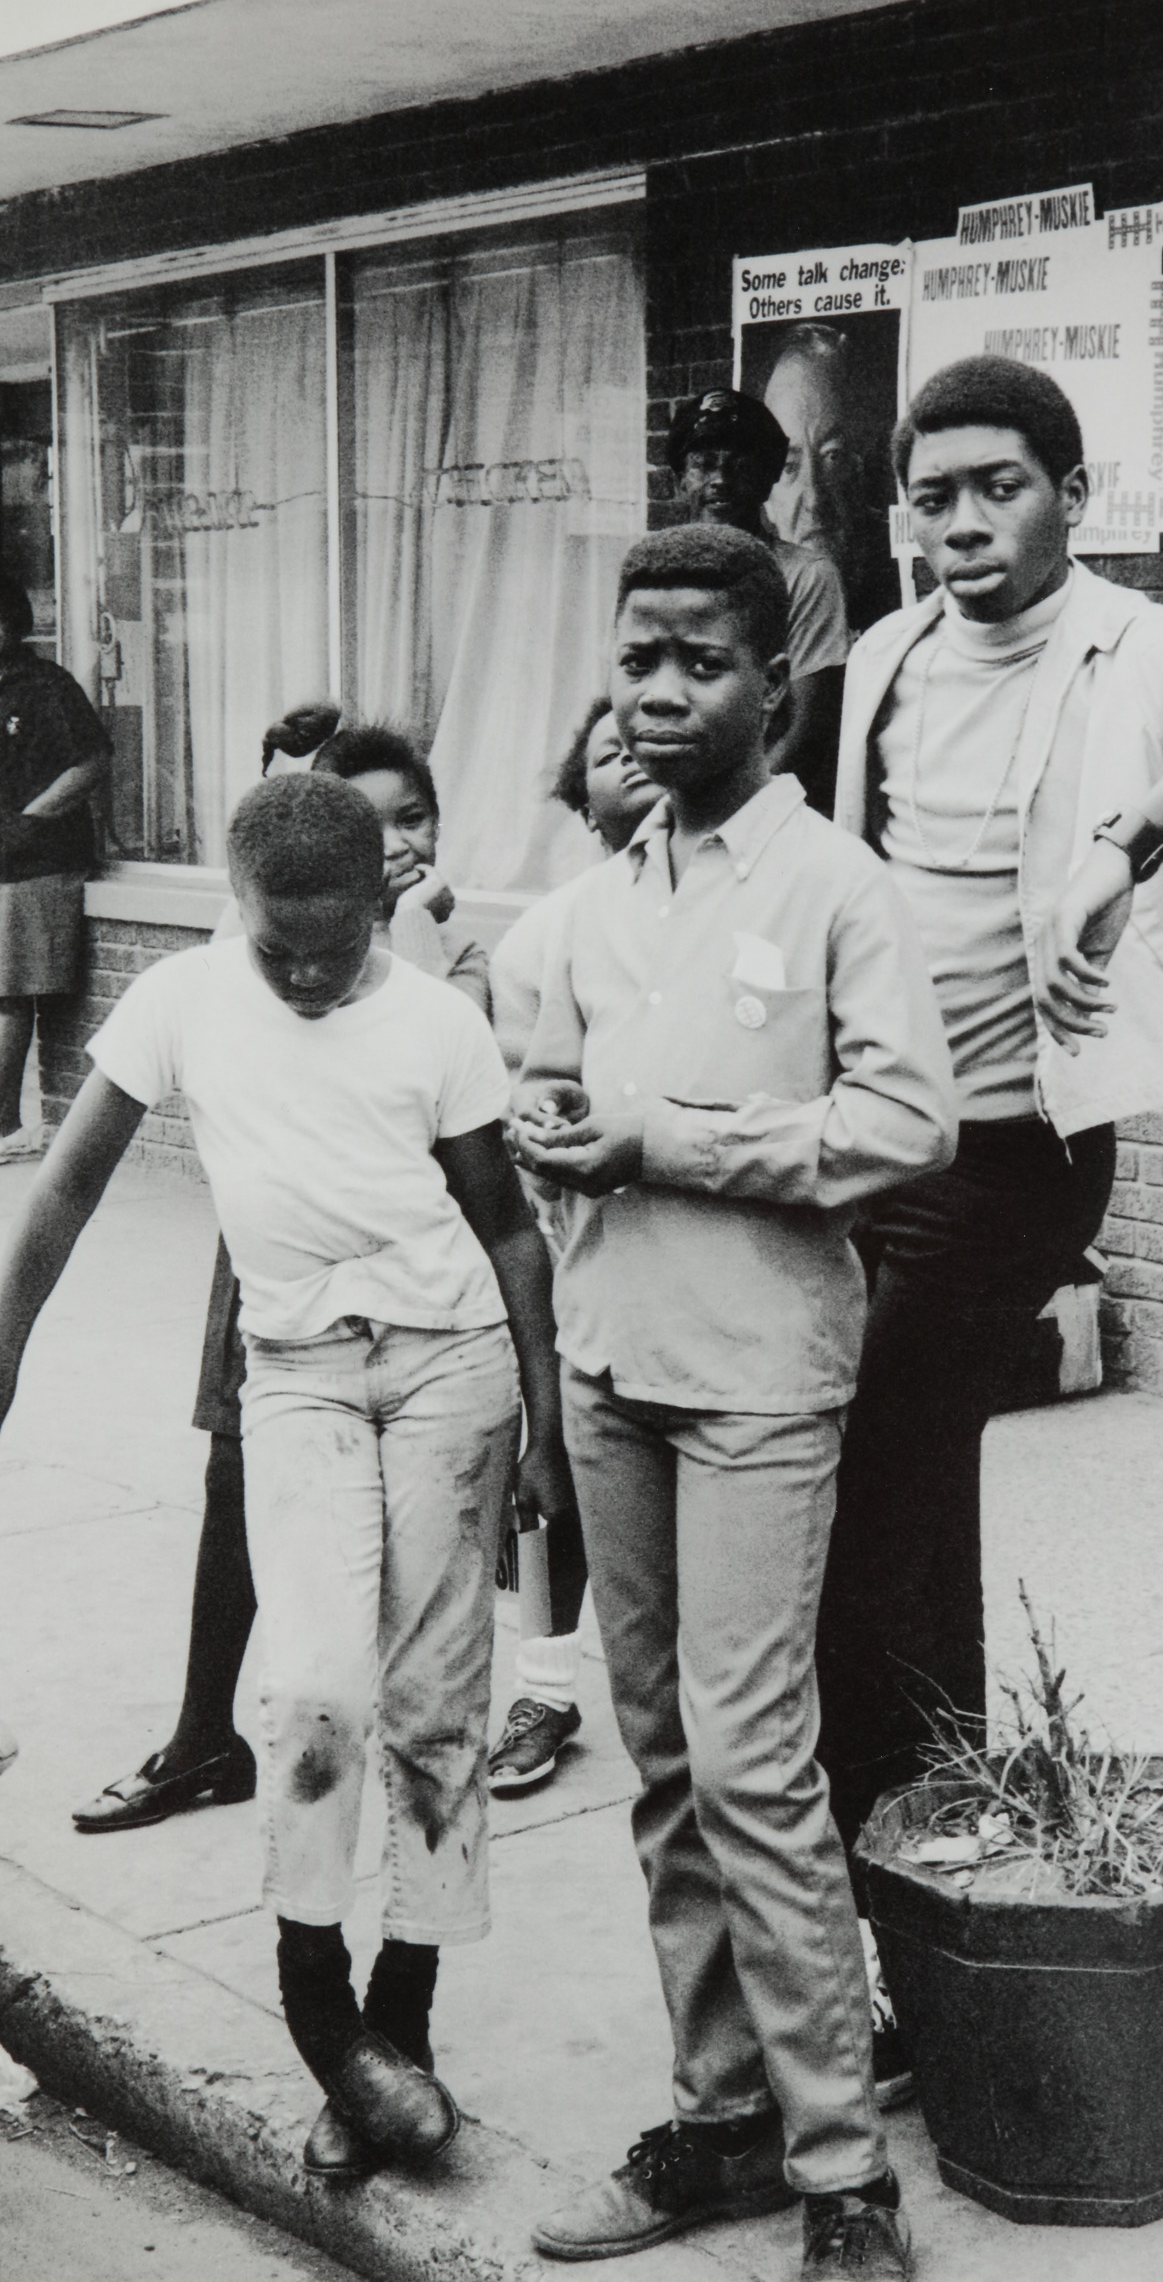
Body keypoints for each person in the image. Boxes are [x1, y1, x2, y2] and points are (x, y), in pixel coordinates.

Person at [813, 356, 1163, 2095]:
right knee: (909, 1526)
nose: (963, 523)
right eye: (933, 496)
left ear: (1072, 491)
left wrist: (1137, 833)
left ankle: (916, 1938)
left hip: (1011, 1163)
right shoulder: (886, 664)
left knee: (865, 1533)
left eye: (999, 486)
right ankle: (942, 1890)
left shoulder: (1142, 646)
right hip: (871, 1144)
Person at [0, 771, 569, 2180]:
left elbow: (508, 1230)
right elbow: (68, 1187)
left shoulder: (439, 1023)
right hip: (299, 1375)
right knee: (316, 1689)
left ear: (384, 899)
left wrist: (548, 1432)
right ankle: (319, 2007)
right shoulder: (183, 1003)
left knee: (437, 1708)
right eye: (283, 946)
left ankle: (400, 2032)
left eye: (340, 942)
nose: (313, 972)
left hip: (452, 1368)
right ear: (234, 900)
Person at [511, 524, 956, 2279]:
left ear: (774, 681)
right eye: (639, 660)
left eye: (700, 660)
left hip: (764, 1377)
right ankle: (720, 2125)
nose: (662, 692)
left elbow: (904, 1126)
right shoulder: (599, 903)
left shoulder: (837, 886)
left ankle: (845, 2175)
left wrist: (671, 1142)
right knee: (665, 1763)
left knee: (759, 1768)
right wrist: (565, 1136)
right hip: (617, 1366)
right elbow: (562, 1116)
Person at [72, 711, 489, 1835]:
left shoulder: (439, 945)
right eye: (371, 817)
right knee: (238, 1477)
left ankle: (411, 1756)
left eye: (414, 818)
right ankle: (206, 1731)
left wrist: (400, 925)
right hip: (283, 1269)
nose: (395, 837)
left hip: (418, 1293)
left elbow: (468, 1082)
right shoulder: (259, 933)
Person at [486, 700, 662, 1794]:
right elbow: (525, 1091)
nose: (638, 761)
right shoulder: (545, 938)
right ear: (581, 801)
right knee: (552, 1476)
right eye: (610, 753)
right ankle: (545, 1685)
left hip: (713, 1253)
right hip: (578, 1241)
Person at [0, 570, 110, 1175]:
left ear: (19, 623)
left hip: (30, 861)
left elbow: (92, 762)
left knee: (3, 990)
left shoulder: (45, 686)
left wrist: (29, 821)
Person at [667, 390, 850, 814]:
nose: (720, 480)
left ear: (768, 477)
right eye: (703, 463)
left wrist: (728, 815)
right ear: (680, 480)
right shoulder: (658, 576)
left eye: (740, 464)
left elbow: (806, 731)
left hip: (762, 805)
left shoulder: (806, 575)